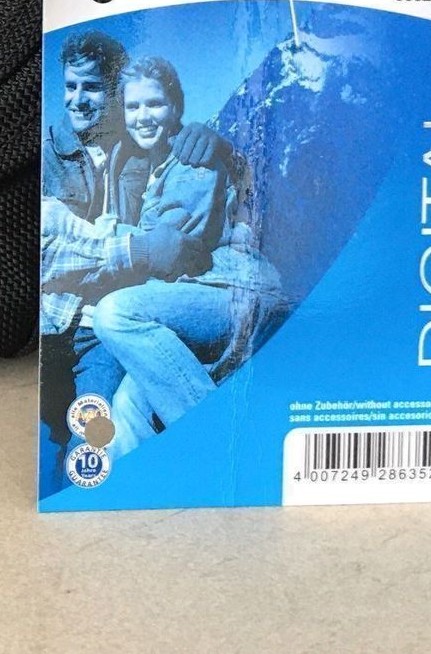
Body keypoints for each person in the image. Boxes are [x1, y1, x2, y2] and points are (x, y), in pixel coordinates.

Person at [38, 34, 233, 478]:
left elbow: (191, 190)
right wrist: (138, 248)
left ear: (112, 94)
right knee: (54, 442)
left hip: (98, 328)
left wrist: (218, 142)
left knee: (94, 442)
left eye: (91, 87)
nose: (77, 99)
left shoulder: (135, 147)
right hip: (51, 324)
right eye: (69, 86)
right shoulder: (48, 155)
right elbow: (44, 254)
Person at [88, 56, 287, 454]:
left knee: (115, 315)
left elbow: (174, 249)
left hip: (233, 291)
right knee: (127, 406)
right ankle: (138, 483)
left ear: (175, 107)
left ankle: (221, 446)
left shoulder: (194, 159)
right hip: (195, 295)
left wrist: (103, 238)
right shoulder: (147, 166)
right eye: (133, 106)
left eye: (154, 104)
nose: (143, 116)